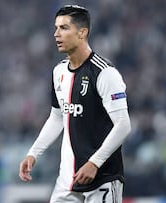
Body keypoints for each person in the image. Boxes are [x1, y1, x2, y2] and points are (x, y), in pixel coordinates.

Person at [19, 5, 132, 203]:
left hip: (102, 179)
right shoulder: (58, 72)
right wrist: (33, 154)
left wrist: (94, 163)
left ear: (82, 33)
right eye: (56, 28)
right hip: (67, 183)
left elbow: (123, 124)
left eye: (64, 28)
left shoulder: (105, 73)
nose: (56, 34)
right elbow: (57, 116)